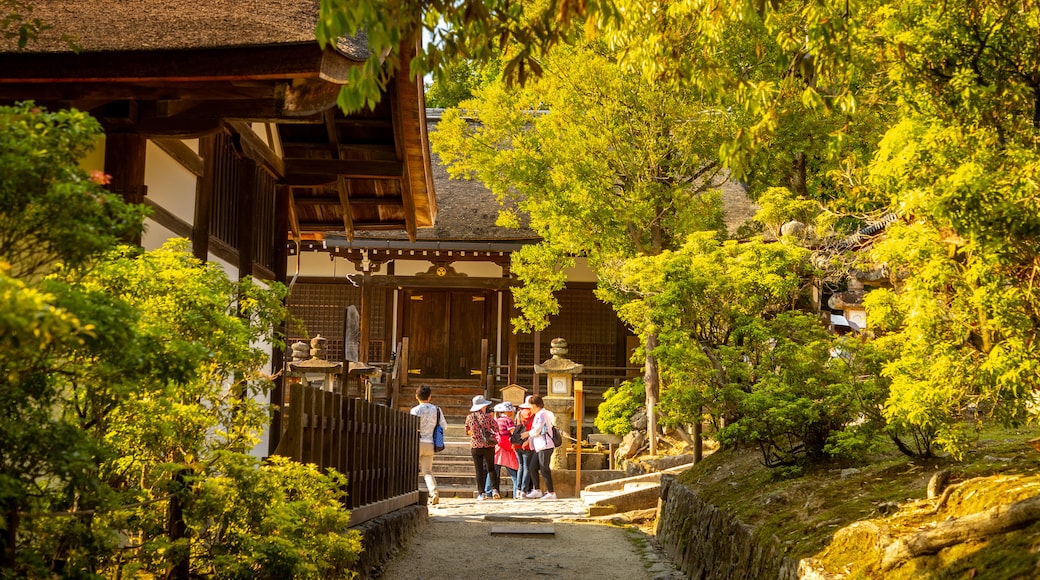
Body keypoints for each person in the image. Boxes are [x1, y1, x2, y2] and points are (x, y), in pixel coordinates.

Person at [410, 384, 447, 505]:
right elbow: (444, 426)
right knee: (427, 471)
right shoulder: (437, 410)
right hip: (430, 442)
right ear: (430, 397)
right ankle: (433, 492)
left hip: (416, 442)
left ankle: (412, 492)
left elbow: (411, 427)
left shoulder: (415, 410)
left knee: (412, 469)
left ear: (416, 396)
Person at [521, 395, 557, 500]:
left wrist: (527, 434)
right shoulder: (538, 414)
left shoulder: (542, 414)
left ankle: (551, 492)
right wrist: (529, 440)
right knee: (532, 467)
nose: (529, 408)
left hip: (545, 445)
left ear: (536, 405)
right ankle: (537, 490)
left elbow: (537, 429)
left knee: (544, 468)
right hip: (539, 446)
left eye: (530, 406)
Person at [465, 395, 500, 500]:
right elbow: (496, 428)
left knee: (479, 470)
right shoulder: (488, 417)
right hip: (488, 445)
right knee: (491, 468)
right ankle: (495, 490)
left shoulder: (469, 417)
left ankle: (481, 493)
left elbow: (467, 431)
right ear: (483, 406)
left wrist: (475, 433)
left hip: (475, 445)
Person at [492, 401, 520, 498]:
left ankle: (489, 491)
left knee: (494, 471)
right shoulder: (508, 420)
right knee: (514, 472)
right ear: (508, 412)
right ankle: (517, 493)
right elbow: (513, 433)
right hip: (507, 446)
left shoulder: (497, 420)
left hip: (497, 446)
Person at [515, 396, 540, 499]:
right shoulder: (533, 414)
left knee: (520, 466)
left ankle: (518, 489)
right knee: (527, 467)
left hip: (517, 443)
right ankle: (524, 490)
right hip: (527, 443)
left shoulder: (519, 413)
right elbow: (532, 429)